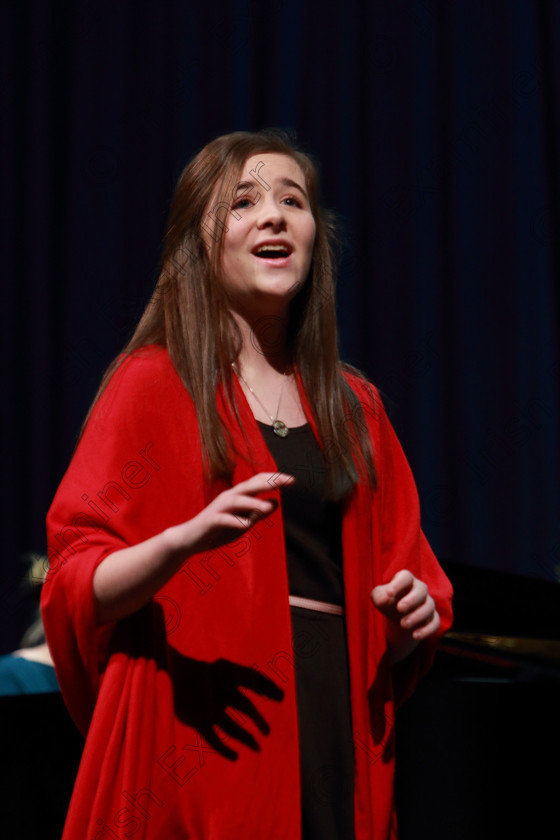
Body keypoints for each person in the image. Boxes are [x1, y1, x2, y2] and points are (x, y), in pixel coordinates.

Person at [41, 129, 453, 840]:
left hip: (333, 719)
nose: (273, 215)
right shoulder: (152, 384)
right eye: (243, 201)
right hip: (204, 721)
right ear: (198, 242)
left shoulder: (355, 409)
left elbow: (406, 594)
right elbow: (76, 583)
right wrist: (178, 545)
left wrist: (411, 621)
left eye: (292, 200)